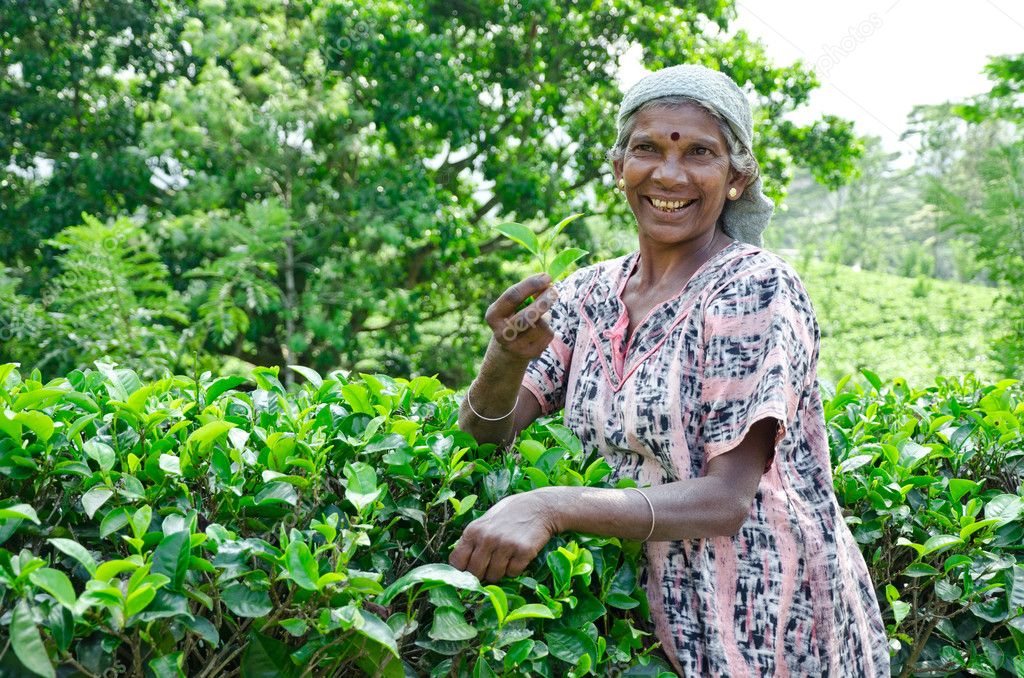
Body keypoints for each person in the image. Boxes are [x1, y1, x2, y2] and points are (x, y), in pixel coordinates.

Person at [451, 63, 890, 677]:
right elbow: (485, 437)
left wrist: (550, 505)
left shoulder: (754, 287)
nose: (669, 174)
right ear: (618, 168)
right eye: (648, 149)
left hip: (767, 619)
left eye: (700, 153)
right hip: (646, 619)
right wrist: (504, 357)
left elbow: (726, 499)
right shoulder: (589, 294)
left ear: (736, 179)